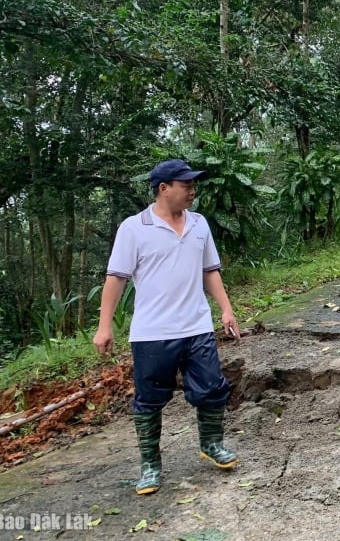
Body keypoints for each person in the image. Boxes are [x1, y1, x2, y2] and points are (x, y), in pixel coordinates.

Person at [93, 159, 241, 495]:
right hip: (152, 333)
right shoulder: (134, 228)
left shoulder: (199, 224)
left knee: (211, 389)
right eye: (186, 185)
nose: (192, 191)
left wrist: (226, 310)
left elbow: (210, 271)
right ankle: (150, 465)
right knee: (149, 399)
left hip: (197, 326)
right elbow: (116, 278)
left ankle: (212, 445)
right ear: (164, 188)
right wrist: (105, 327)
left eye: (193, 185)